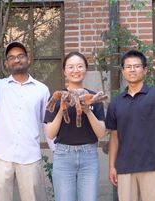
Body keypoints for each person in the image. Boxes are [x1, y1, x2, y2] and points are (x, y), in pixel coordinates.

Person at [0, 38, 49, 201]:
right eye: (11, 57)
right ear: (7, 64)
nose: (16, 59)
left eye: (20, 56)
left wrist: (57, 149)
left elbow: (46, 123)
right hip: (2, 155)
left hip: (30, 156)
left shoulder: (42, 90)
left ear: (28, 59)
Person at [105, 50, 155, 201]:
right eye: (128, 67)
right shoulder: (116, 102)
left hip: (152, 164)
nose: (132, 70)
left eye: (137, 66)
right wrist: (112, 166)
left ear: (145, 70)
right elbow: (114, 137)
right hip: (125, 166)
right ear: (122, 71)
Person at [44, 51, 106, 201]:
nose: (75, 70)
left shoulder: (93, 98)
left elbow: (101, 133)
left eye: (80, 66)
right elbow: (50, 134)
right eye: (71, 67)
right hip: (64, 156)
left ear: (86, 69)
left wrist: (87, 111)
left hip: (89, 156)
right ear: (64, 71)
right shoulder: (57, 97)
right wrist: (61, 108)